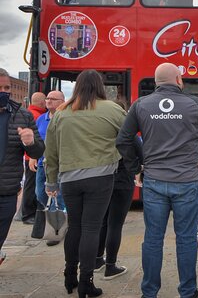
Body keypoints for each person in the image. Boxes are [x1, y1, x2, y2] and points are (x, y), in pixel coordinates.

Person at [116, 63, 198, 298]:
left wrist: (136, 167)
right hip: (187, 181)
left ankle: (149, 293)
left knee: (152, 239)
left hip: (154, 181)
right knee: (186, 238)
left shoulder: (141, 105)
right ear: (179, 79)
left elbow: (123, 140)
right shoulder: (195, 104)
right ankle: (188, 291)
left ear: (156, 81)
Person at [45, 70, 126, 297]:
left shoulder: (61, 113)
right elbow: (127, 136)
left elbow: (50, 151)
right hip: (101, 177)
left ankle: (69, 275)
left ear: (77, 86)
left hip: (70, 178)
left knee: (75, 227)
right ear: (100, 85)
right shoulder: (112, 109)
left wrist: (51, 181)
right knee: (92, 228)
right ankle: (86, 282)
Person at [0, 68, 44, 267]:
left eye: (7, 87)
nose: (4, 91)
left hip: (7, 190)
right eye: (0, 87)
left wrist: (30, 142)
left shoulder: (23, 115)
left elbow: (38, 152)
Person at [95, 99, 141, 280]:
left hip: (102, 177)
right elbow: (140, 150)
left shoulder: (99, 130)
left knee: (102, 221)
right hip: (122, 179)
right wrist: (137, 168)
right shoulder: (127, 130)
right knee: (115, 224)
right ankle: (110, 266)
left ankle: (96, 259)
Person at [35, 90, 65, 247]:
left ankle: (56, 230)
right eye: (47, 98)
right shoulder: (41, 119)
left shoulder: (65, 118)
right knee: (39, 193)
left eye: (52, 99)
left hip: (58, 164)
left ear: (62, 101)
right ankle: (63, 219)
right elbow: (36, 140)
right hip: (42, 163)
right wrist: (32, 157)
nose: (48, 101)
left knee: (56, 197)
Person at [20, 92, 46, 225]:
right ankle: (27, 214)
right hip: (32, 157)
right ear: (42, 103)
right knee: (31, 186)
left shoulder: (29, 113)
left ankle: (27, 212)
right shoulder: (36, 116)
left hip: (29, 156)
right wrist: (32, 156)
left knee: (30, 185)